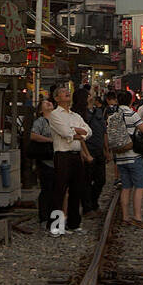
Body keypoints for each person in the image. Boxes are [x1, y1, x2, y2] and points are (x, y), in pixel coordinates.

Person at [105, 97, 143, 228]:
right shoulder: (131, 114)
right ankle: (137, 217)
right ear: (131, 101)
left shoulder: (113, 115)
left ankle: (125, 217)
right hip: (133, 156)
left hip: (120, 157)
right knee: (139, 187)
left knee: (126, 187)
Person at [48, 85, 91, 235]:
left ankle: (74, 223)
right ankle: (56, 226)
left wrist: (78, 133)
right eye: (63, 93)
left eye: (68, 92)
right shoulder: (55, 114)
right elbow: (65, 132)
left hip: (76, 154)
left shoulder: (75, 115)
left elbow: (88, 131)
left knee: (76, 189)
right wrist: (76, 132)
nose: (67, 93)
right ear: (56, 98)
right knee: (60, 190)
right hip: (62, 154)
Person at [30, 96, 57, 230]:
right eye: (46, 103)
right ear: (41, 110)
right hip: (46, 159)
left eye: (49, 102)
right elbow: (33, 135)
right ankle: (44, 217)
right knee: (47, 189)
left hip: (57, 159)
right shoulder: (40, 121)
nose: (49, 104)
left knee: (56, 190)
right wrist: (49, 140)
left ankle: (54, 218)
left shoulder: (57, 120)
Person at [82, 92, 108, 212]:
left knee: (101, 179)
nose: (90, 97)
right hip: (88, 150)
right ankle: (88, 206)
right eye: (88, 95)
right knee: (87, 180)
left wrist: (106, 150)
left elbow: (104, 132)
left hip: (99, 150)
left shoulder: (99, 112)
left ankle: (94, 201)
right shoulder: (80, 113)